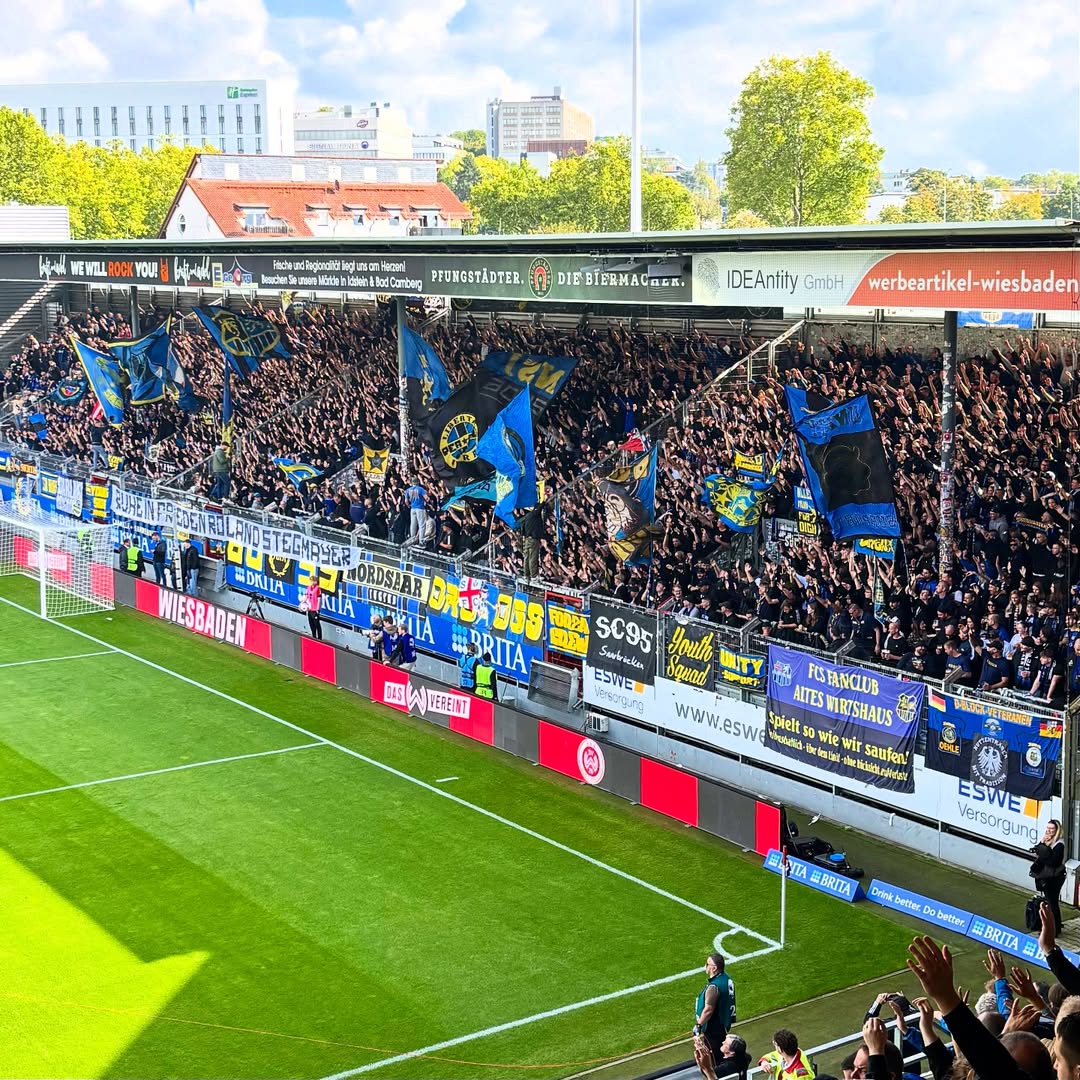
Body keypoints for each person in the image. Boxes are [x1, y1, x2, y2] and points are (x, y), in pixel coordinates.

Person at [694, 952, 735, 1080]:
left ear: (714, 968)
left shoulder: (714, 987)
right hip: (722, 1024)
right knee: (720, 1056)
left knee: (714, 1060)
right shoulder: (726, 979)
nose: (706, 966)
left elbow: (708, 1010)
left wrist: (698, 1025)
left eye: (708, 964)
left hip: (713, 1029)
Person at [1030, 819, 1067, 933]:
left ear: (1057, 830)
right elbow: (1036, 849)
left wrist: (1043, 852)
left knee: (1052, 903)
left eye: (1052, 829)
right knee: (1051, 902)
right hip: (1047, 876)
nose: (1049, 831)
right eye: (1048, 828)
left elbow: (1054, 862)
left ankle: (1054, 929)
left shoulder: (1059, 844)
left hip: (1055, 878)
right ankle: (1054, 926)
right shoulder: (1047, 840)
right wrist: (1042, 843)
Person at [520, 503, 543, 580]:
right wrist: (544, 502)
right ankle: (533, 575)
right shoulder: (534, 514)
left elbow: (522, 530)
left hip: (527, 539)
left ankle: (526, 574)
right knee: (533, 557)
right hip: (533, 539)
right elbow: (539, 509)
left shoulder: (526, 517)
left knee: (526, 557)